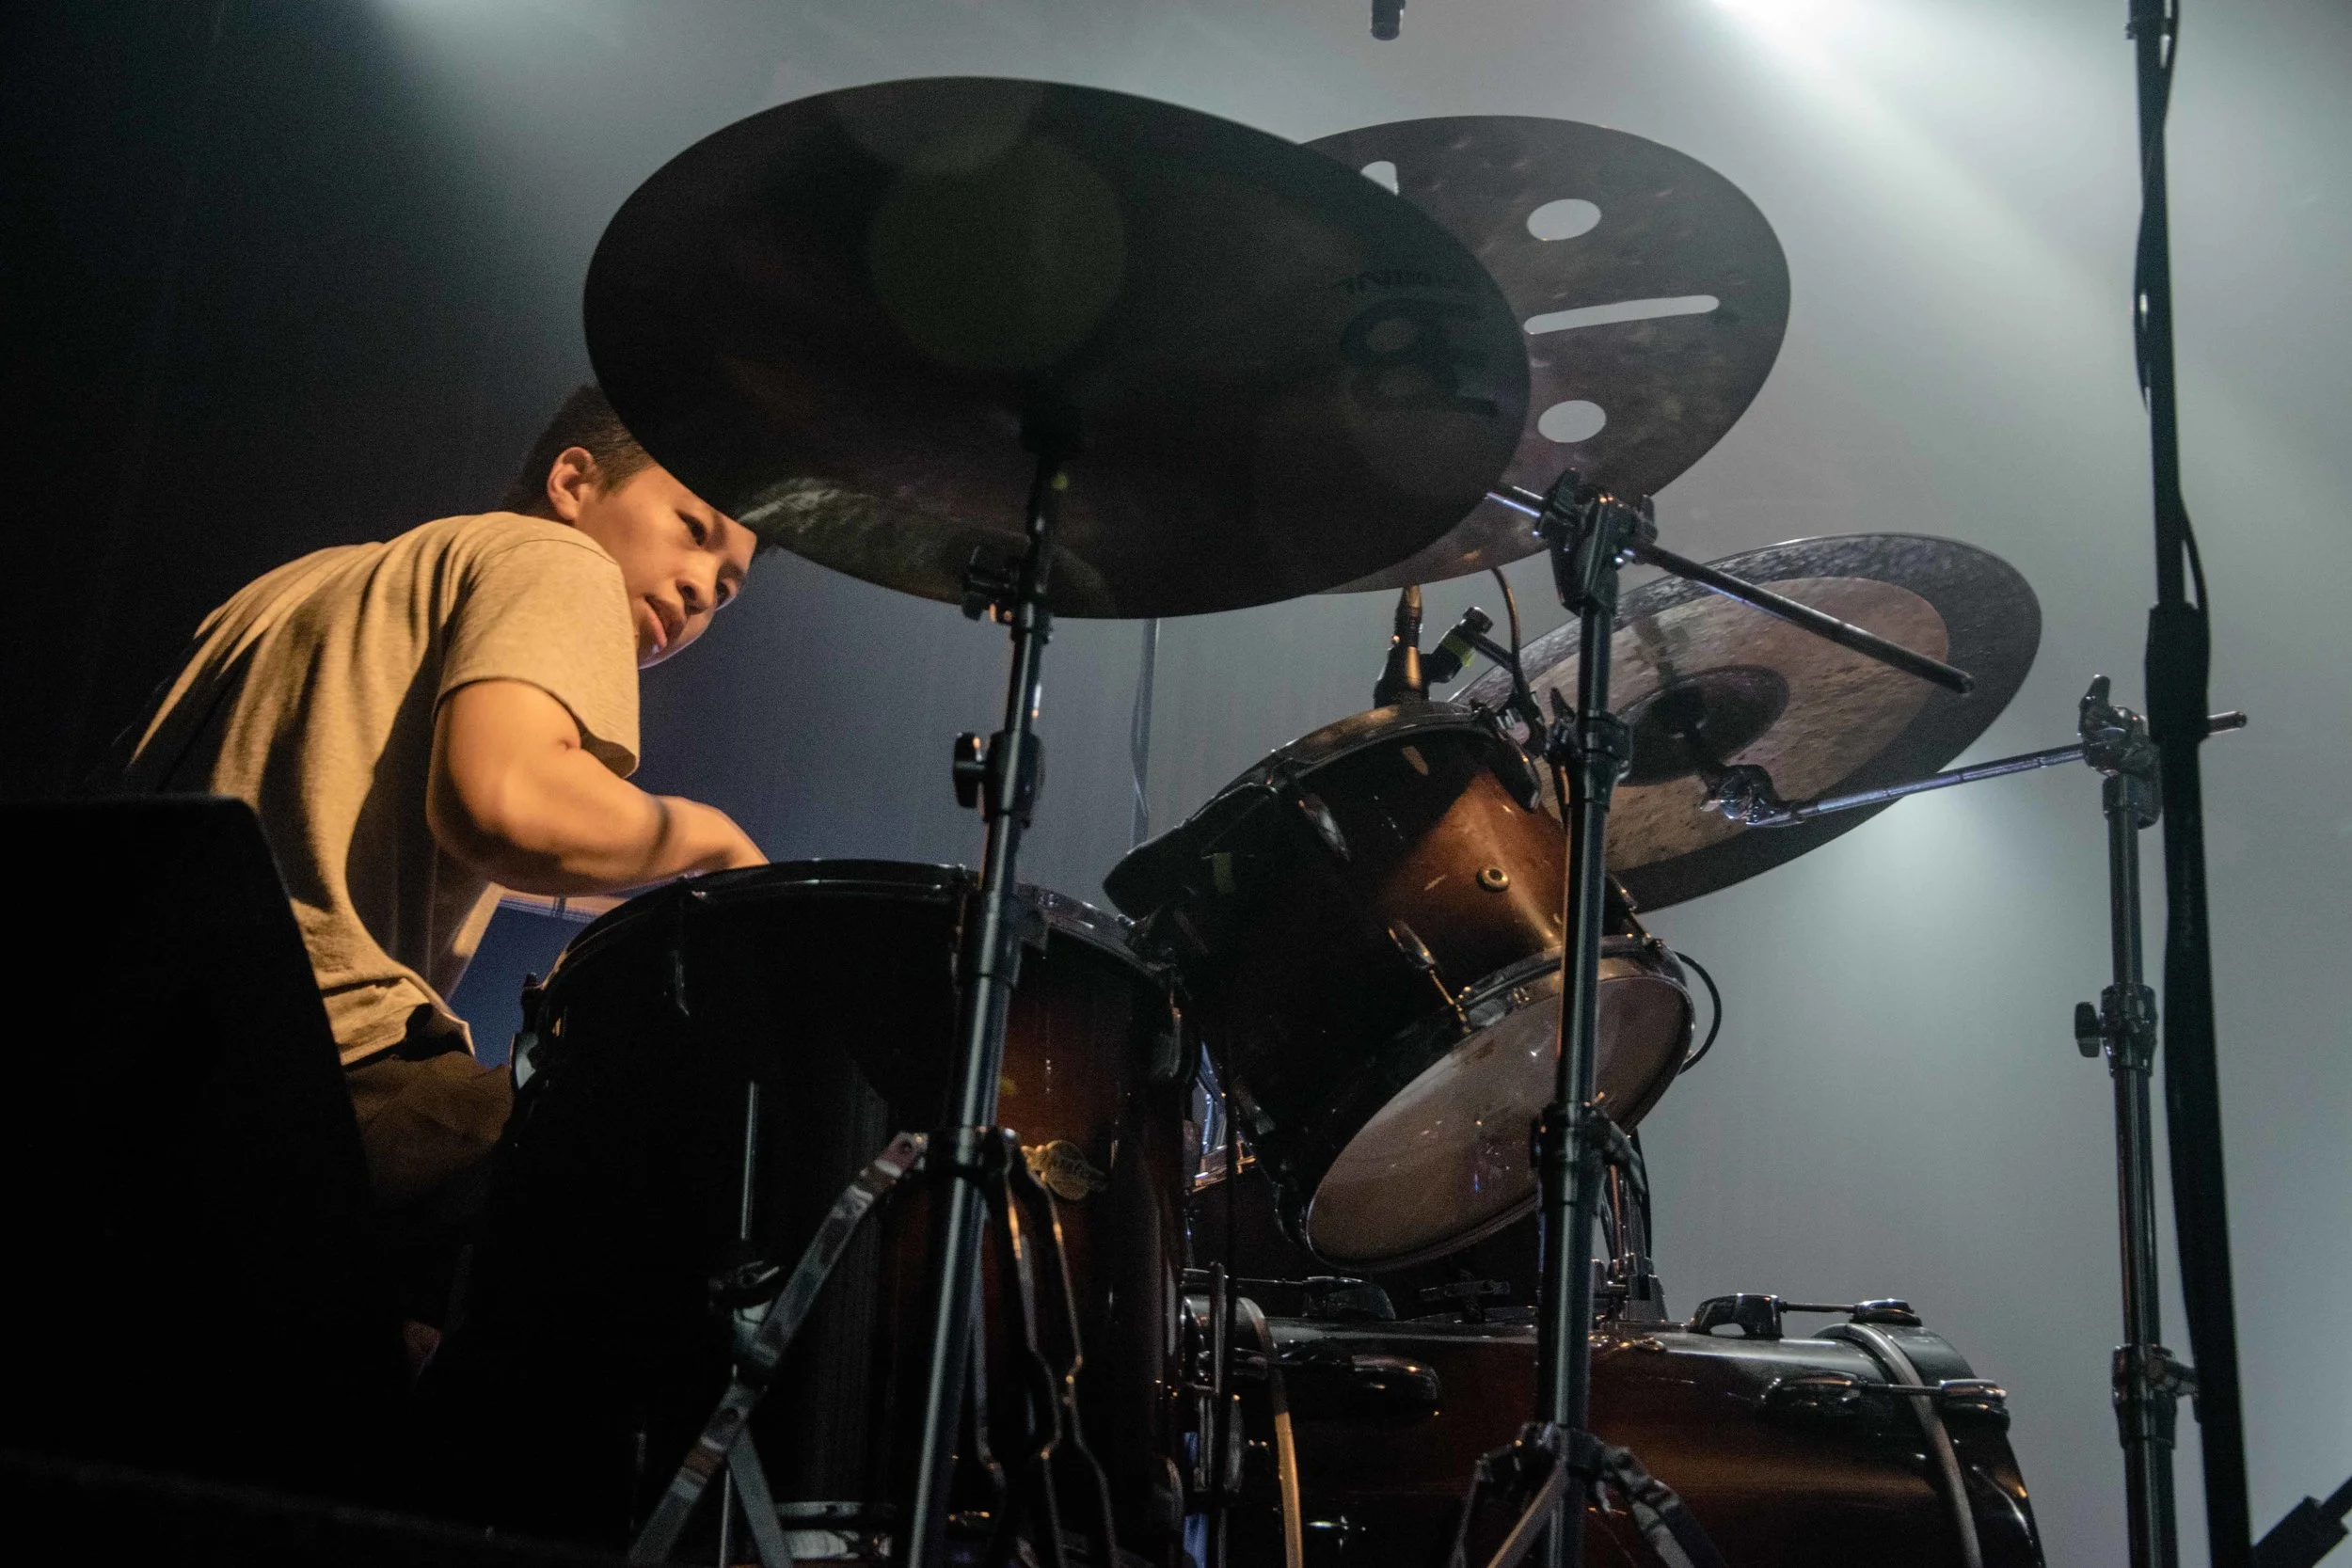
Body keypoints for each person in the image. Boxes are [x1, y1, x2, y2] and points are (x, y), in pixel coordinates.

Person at [122, 386, 771, 1344]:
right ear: (574, 481)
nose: (702, 588)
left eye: (726, 587)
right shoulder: (561, 559)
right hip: (309, 1067)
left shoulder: (310, 581)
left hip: (117, 1070)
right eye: (693, 530)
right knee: (698, 1206)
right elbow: (506, 800)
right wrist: (715, 843)